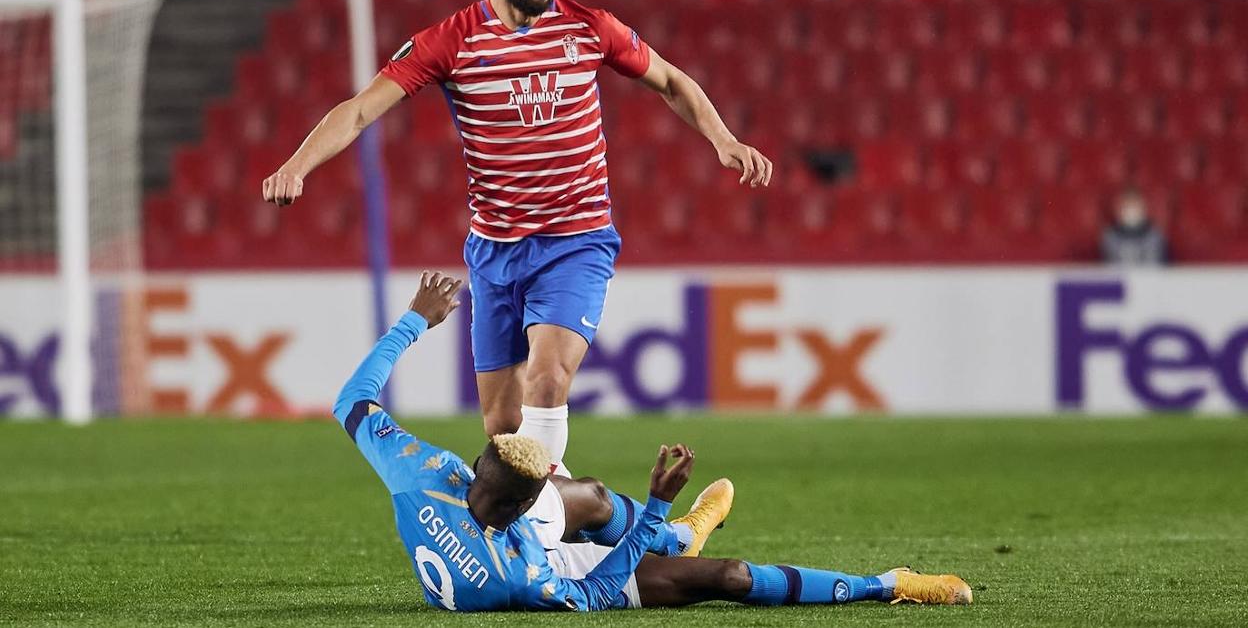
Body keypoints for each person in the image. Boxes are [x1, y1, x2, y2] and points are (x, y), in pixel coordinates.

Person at [264, 0, 774, 473]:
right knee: (503, 426)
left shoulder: (590, 29)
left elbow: (673, 82)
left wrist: (723, 138)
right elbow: (358, 110)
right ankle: (563, 522)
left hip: (576, 240)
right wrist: (297, 164)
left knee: (549, 380)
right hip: (495, 250)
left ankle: (544, 541)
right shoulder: (450, 42)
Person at [333, 271, 973, 612]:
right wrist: (658, 503)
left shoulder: (424, 474)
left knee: (588, 497)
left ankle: (678, 535)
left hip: (487, 522)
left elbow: (351, 403)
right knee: (729, 576)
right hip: (563, 568)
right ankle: (887, 583)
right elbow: (609, 583)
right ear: (530, 506)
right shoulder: (530, 579)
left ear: (473, 469)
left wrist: (416, 318)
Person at [1101, 187, 1167, 266]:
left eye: (1135, 205)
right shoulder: (1110, 236)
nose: (1131, 210)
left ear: (1143, 208)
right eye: (1127, 206)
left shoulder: (1154, 235)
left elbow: (1156, 266)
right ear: (1119, 209)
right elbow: (1109, 267)